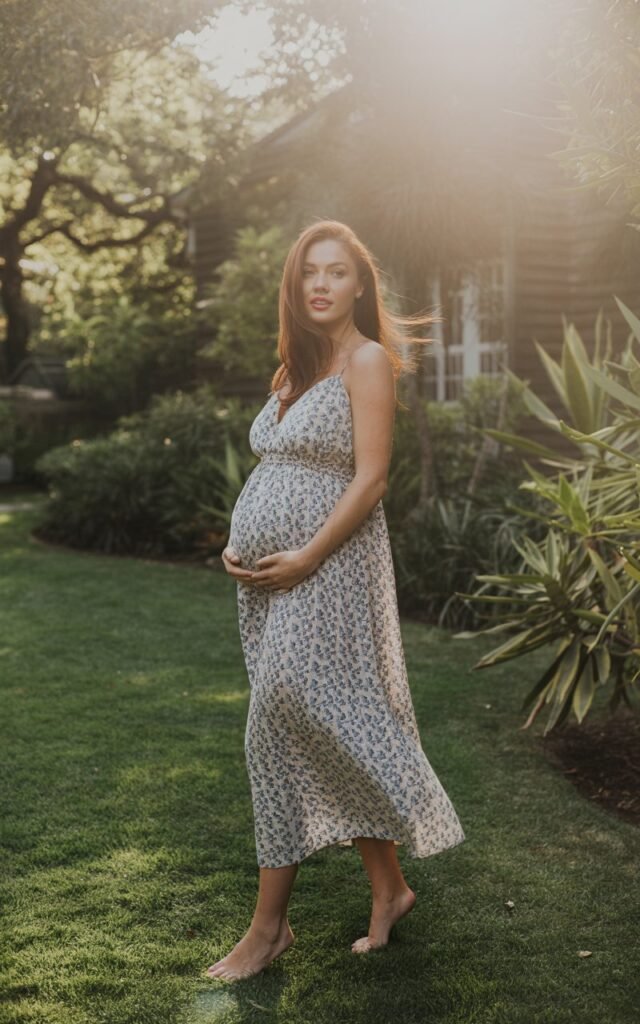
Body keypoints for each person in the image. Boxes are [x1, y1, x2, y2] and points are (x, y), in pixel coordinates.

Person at [206, 220, 465, 982]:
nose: (321, 283)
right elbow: (275, 471)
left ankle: (268, 931)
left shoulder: (368, 360)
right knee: (304, 717)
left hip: (328, 570)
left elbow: (372, 478)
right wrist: (239, 543)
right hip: (267, 580)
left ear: (360, 284)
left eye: (337, 272)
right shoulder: (292, 371)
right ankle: (389, 889)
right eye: (309, 273)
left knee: (281, 717)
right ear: (297, 288)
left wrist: (307, 555)